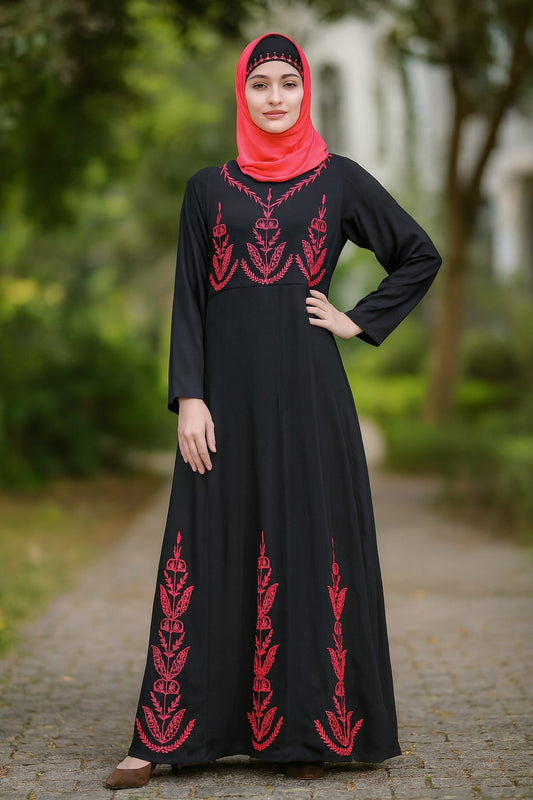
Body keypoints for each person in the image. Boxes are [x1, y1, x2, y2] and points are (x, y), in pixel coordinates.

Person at [105, 32, 441, 790]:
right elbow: (189, 297)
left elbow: (417, 253)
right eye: (261, 84)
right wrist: (188, 396)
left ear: (305, 91)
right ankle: (164, 737)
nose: (276, 97)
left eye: (289, 82)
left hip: (306, 393)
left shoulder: (337, 181)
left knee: (303, 542)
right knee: (204, 544)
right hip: (222, 398)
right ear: (242, 93)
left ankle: (306, 735)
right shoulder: (207, 188)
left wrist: (358, 318)